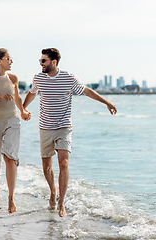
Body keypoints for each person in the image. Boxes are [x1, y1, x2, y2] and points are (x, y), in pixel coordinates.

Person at [23, 48, 117, 217]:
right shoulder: (38, 78)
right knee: (46, 167)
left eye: (43, 61)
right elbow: (32, 93)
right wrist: (22, 109)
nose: (40, 64)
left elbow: (86, 91)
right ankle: (53, 192)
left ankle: (61, 202)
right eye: (40, 60)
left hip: (64, 127)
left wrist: (106, 102)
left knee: (64, 163)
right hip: (45, 127)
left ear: (54, 62)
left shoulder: (68, 78)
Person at [0, 48, 30, 213]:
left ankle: (11, 197)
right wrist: (0, 96)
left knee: (11, 158)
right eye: (8, 58)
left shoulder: (13, 78)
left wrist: (23, 111)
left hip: (12, 119)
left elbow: (17, 97)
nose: (11, 61)